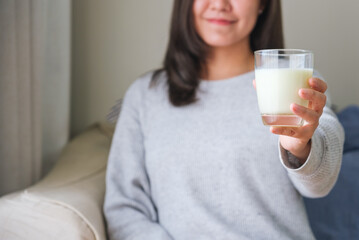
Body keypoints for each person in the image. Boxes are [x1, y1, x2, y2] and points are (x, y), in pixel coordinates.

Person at [103, 0, 344, 239]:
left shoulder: (294, 79)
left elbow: (320, 183)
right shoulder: (146, 95)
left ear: (263, 5)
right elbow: (124, 209)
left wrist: (301, 148)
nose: (220, 4)